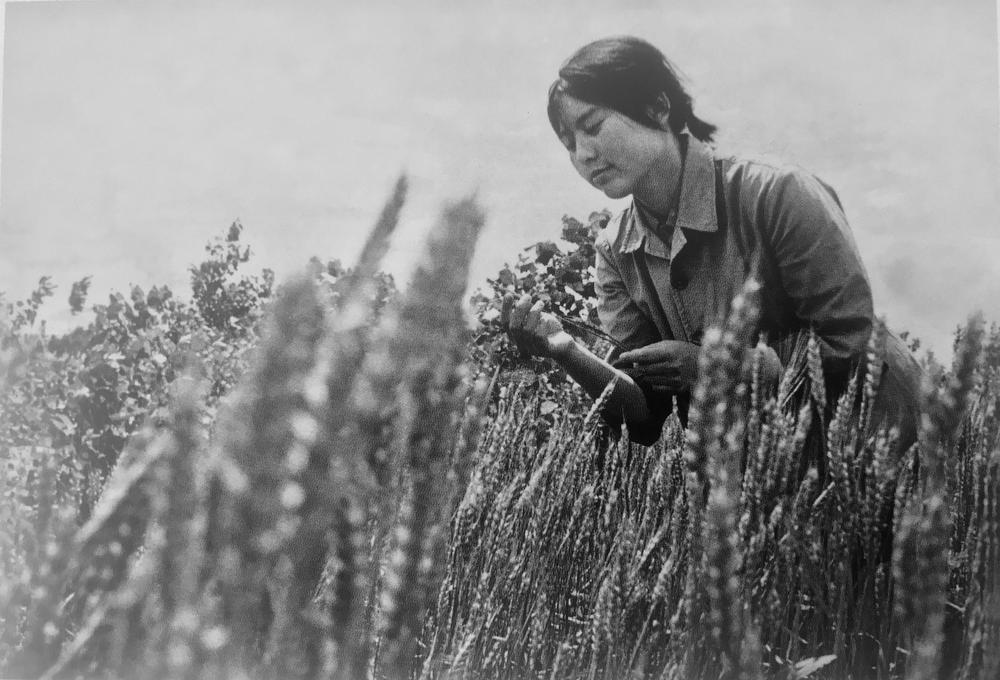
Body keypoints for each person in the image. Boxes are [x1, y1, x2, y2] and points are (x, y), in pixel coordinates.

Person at [501, 35, 922, 450]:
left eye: (592, 127)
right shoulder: (616, 251)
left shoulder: (776, 193)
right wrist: (566, 350)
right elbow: (645, 412)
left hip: (882, 448)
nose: (583, 154)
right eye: (568, 143)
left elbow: (850, 347)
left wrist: (714, 366)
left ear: (657, 106)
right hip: (767, 479)